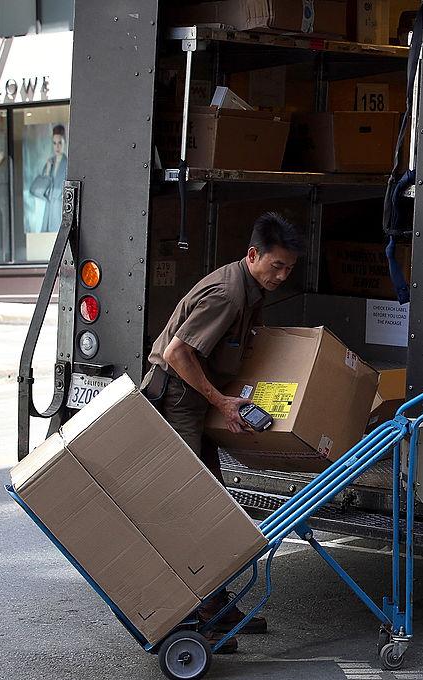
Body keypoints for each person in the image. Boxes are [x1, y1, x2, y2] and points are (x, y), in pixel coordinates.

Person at [142, 212, 303, 652]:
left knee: (211, 499)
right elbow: (176, 354)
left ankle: (216, 603)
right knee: (196, 507)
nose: (282, 276)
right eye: (276, 266)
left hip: (192, 399)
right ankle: (199, 613)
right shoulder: (229, 294)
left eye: (289, 268)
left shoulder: (250, 290)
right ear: (253, 255)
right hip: (179, 399)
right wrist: (221, 401)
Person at [30, 124, 68, 233]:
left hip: (60, 210)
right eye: (54, 143)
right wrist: (46, 173)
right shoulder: (49, 163)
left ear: (65, 142)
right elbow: (36, 192)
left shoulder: (68, 164)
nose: (57, 146)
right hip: (48, 211)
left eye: (60, 142)